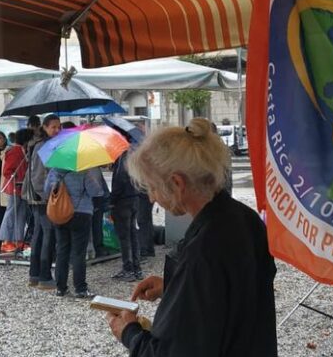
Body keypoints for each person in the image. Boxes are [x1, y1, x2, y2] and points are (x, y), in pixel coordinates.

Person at [106, 118, 277, 357]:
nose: (152, 198)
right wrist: (174, 286)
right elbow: (226, 295)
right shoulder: (245, 218)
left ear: (177, 183)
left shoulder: (204, 249)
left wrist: (129, 332)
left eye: (152, 187)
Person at [44, 165, 104, 299]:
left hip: (60, 213)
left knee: (62, 250)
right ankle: (80, 289)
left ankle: (60, 288)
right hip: (81, 213)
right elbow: (96, 191)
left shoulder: (55, 170)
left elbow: (47, 190)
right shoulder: (83, 170)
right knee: (78, 252)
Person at [25, 114, 61, 289]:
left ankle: (35, 274)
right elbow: (38, 175)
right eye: (53, 127)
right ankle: (45, 276)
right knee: (47, 234)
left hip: (36, 196)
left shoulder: (40, 143)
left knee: (39, 234)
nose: (57, 130)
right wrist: (47, 196)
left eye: (59, 127)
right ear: (45, 127)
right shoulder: (43, 146)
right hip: (41, 198)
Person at [110, 136, 146, 282]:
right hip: (134, 198)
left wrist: (112, 200)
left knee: (124, 236)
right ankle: (137, 269)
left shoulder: (123, 156)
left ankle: (128, 269)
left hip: (123, 201)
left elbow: (119, 181)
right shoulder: (135, 155)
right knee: (133, 234)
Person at [0, 128, 33, 254]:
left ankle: (18, 240)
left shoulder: (22, 150)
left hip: (21, 188)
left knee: (21, 214)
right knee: (11, 213)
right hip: (15, 187)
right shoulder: (15, 151)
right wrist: (18, 179)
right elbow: (7, 171)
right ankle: (6, 241)